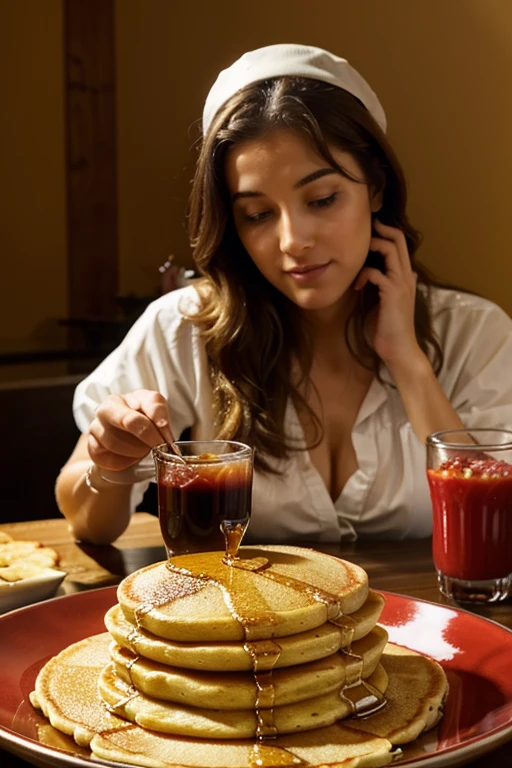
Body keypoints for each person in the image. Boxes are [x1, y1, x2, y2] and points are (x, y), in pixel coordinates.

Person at [56, 43, 512, 546]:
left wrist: (407, 359)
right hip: (251, 621)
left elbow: (497, 532)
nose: (293, 241)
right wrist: (111, 463)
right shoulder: (186, 326)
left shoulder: (475, 333)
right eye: (258, 214)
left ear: (376, 188)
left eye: (322, 199)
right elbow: (85, 521)